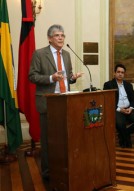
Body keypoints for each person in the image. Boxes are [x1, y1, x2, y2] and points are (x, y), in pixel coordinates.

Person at [28, 24, 83, 181]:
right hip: (48, 102)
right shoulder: (39, 54)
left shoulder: (66, 54)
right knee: (48, 140)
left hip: (65, 100)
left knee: (64, 138)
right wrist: (51, 78)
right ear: (50, 38)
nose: (61, 38)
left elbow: (67, 75)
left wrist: (72, 77)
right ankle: (47, 173)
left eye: (63, 35)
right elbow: (32, 76)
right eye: (57, 35)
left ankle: (64, 168)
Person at [103, 64, 134, 148]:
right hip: (117, 109)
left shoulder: (128, 85)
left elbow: (133, 100)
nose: (120, 74)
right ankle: (126, 140)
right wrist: (119, 109)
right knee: (120, 123)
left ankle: (124, 134)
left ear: (124, 74)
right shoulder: (108, 85)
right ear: (114, 73)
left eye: (122, 72)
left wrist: (131, 108)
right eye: (118, 72)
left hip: (128, 108)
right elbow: (107, 101)